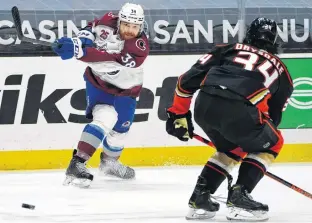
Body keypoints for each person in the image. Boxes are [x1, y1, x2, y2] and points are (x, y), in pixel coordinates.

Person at [165, 17, 293, 221]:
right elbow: (273, 119)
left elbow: (186, 81)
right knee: (273, 142)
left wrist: (178, 114)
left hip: (204, 108)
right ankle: (240, 196)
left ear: (248, 35)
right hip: (240, 110)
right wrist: (254, 153)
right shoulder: (282, 71)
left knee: (232, 148)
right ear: (275, 41)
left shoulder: (228, 49)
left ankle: (201, 197)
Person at [51, 3, 149, 188]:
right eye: (126, 24)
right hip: (99, 84)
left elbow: (108, 62)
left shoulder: (139, 48)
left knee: (121, 129)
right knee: (105, 117)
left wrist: (80, 52)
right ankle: (77, 163)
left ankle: (109, 163)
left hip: (127, 89)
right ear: (119, 20)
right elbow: (91, 27)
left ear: (141, 27)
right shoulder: (108, 20)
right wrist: (80, 40)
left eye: (134, 27)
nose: (129, 30)